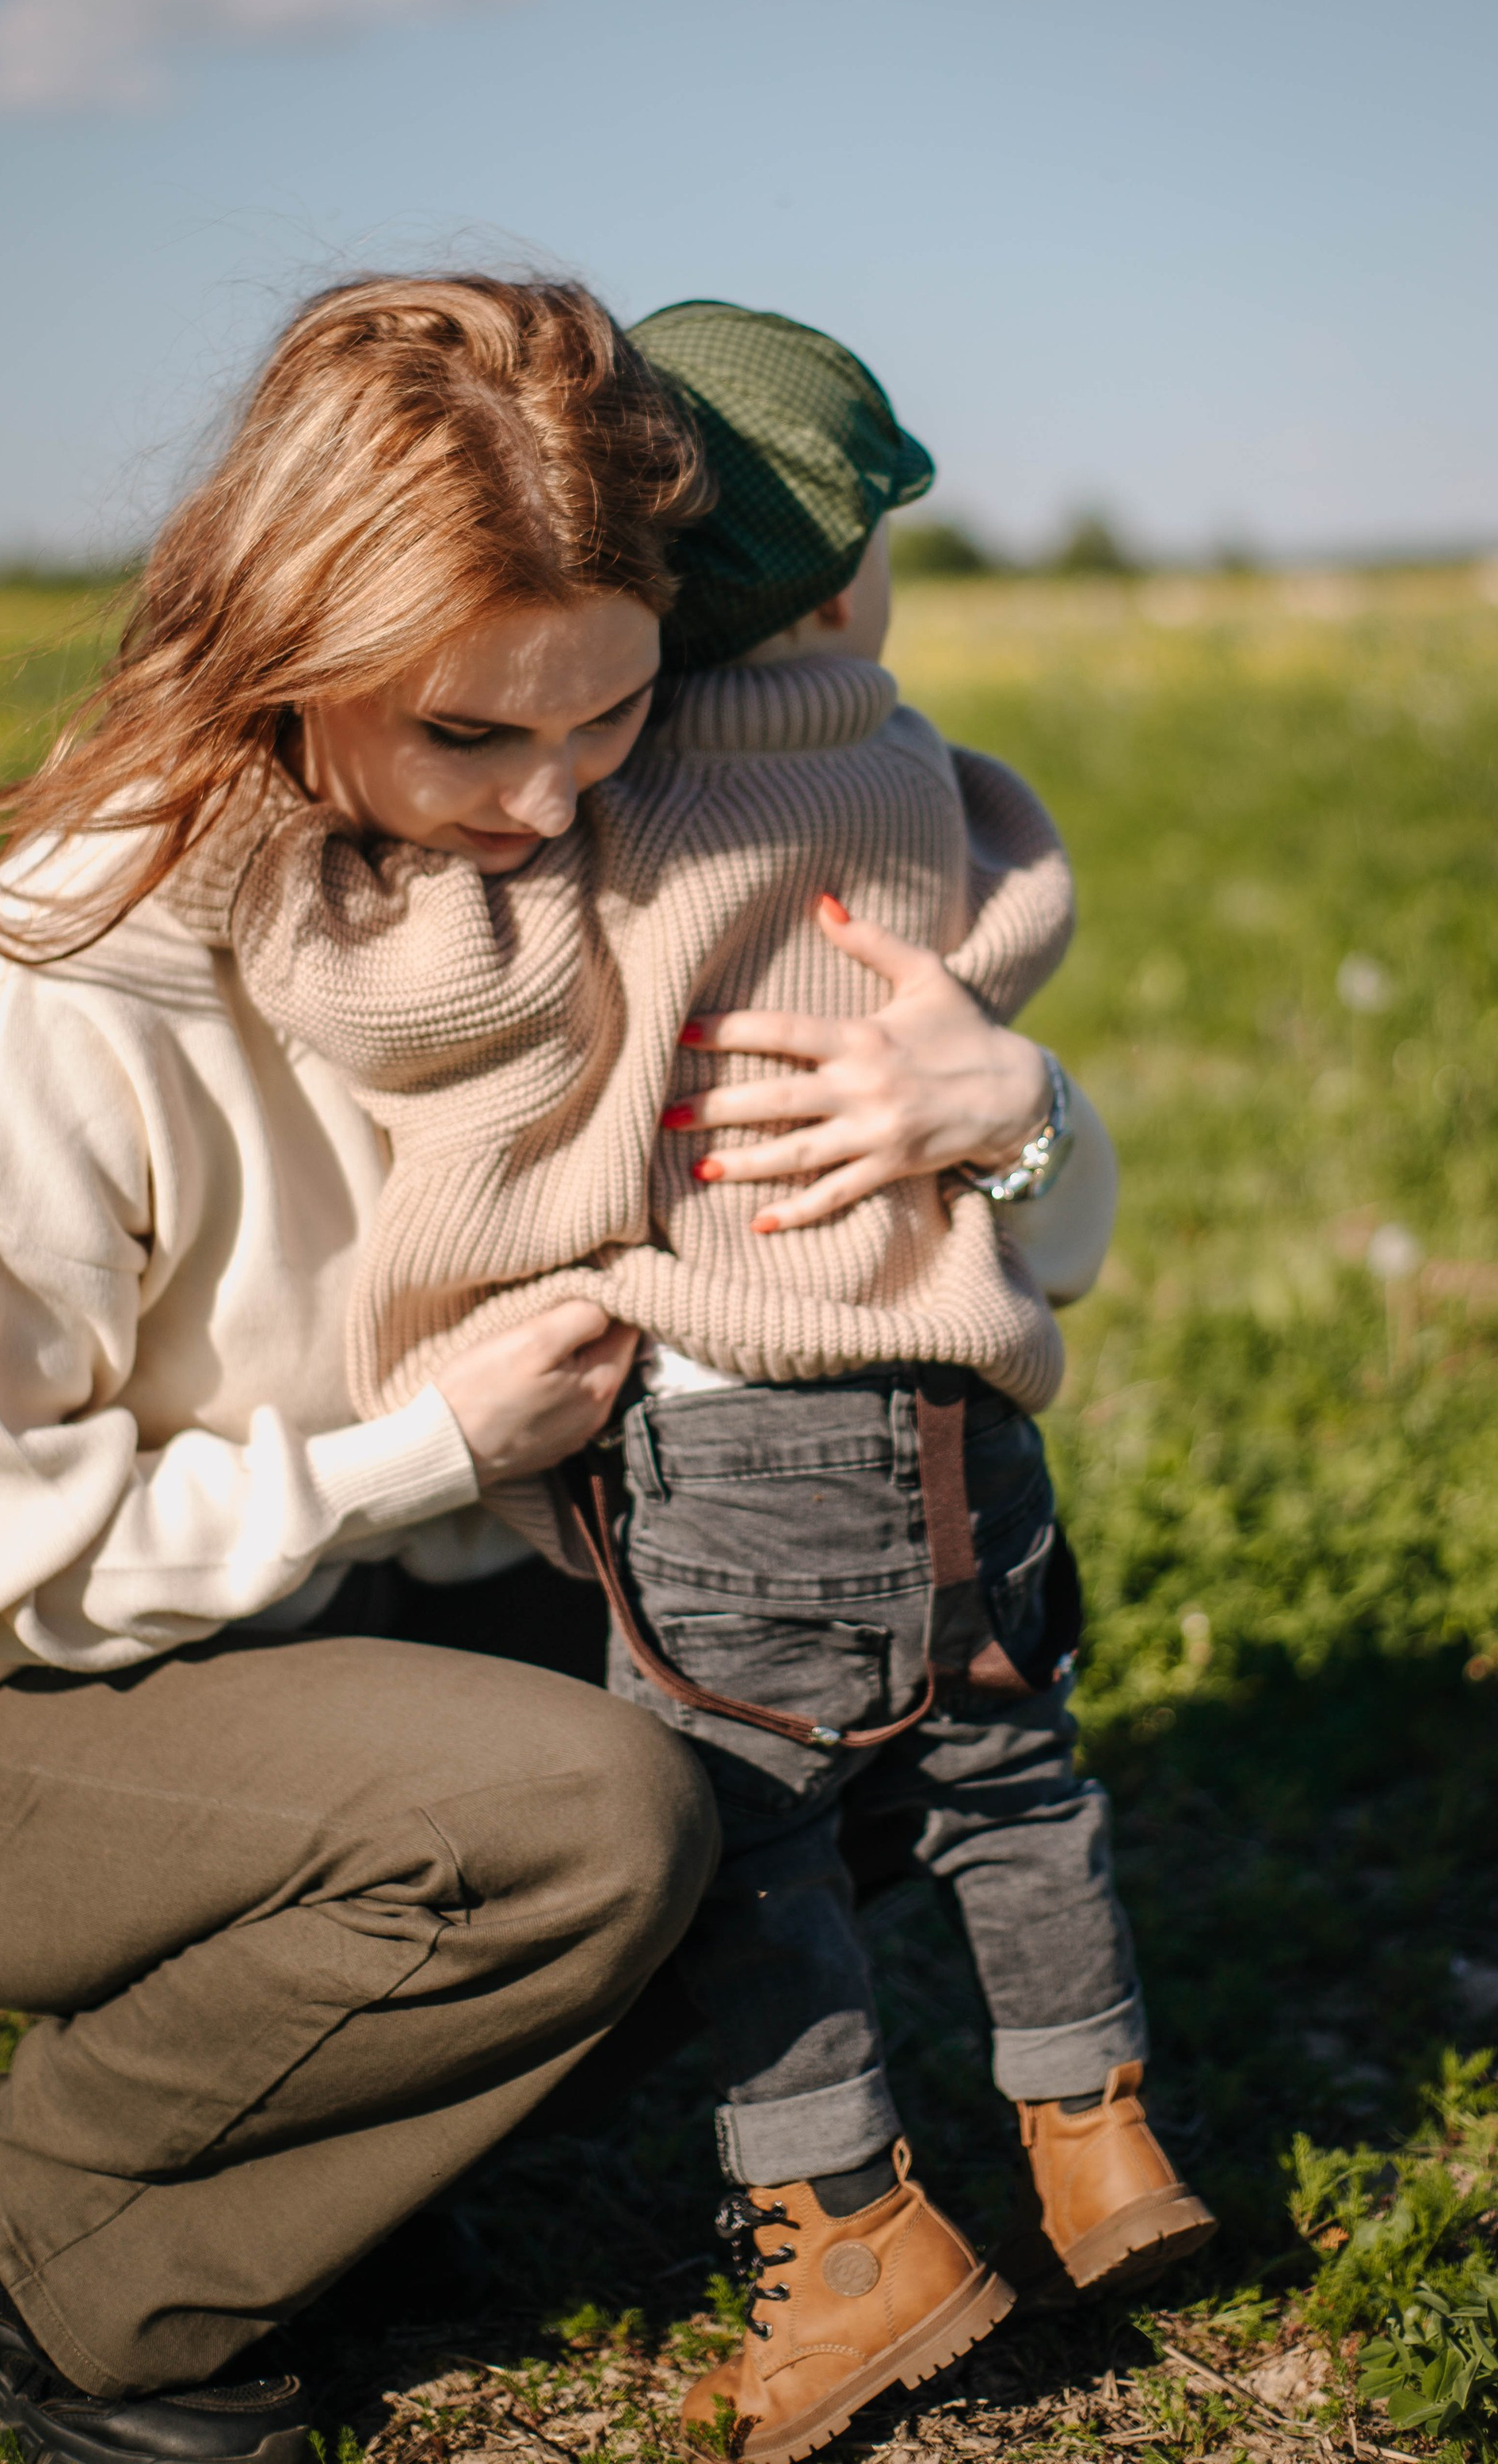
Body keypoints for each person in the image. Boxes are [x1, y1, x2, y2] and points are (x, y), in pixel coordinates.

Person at [0, 273, 1111, 2464]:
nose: (551, 801)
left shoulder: (597, 870)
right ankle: (29, 2239)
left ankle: (331, 2159)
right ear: (285, 649)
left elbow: (954, 1266)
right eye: (472, 734)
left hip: (329, 1621)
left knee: (862, 1679)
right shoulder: (80, 974)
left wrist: (1014, 1117)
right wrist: (420, 1450)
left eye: (609, 715)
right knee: (590, 1820)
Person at [162, 301, 1213, 2464]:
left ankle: (848, 2244)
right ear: (842, 578)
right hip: (971, 1429)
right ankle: (1103, 2147)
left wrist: (284, 864)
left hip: (740, 1442)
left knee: (744, 1846)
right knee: (1016, 1783)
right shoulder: (927, 777)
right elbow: (1019, 900)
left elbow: (420, 1004)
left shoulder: (611, 822)